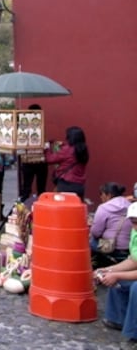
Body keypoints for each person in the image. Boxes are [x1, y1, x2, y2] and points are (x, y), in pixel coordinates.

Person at [97, 203, 137, 342]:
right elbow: (133, 260)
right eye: (132, 223)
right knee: (116, 280)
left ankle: (134, 334)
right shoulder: (135, 232)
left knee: (135, 288)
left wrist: (116, 274)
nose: (134, 226)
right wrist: (109, 270)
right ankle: (117, 318)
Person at [90, 182, 131, 268]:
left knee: (90, 241)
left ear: (109, 195)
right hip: (129, 248)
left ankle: (94, 267)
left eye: (101, 194)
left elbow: (96, 232)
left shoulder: (104, 207)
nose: (100, 197)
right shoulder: (130, 205)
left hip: (110, 248)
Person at [44, 125, 89, 199]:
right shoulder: (84, 150)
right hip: (80, 186)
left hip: (66, 185)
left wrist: (47, 147)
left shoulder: (67, 150)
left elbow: (50, 159)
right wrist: (63, 145)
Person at [19, 104, 48, 201]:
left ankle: (27, 208)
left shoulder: (25, 128)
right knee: (30, 188)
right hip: (33, 161)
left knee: (32, 188)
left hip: (34, 161)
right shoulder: (24, 128)